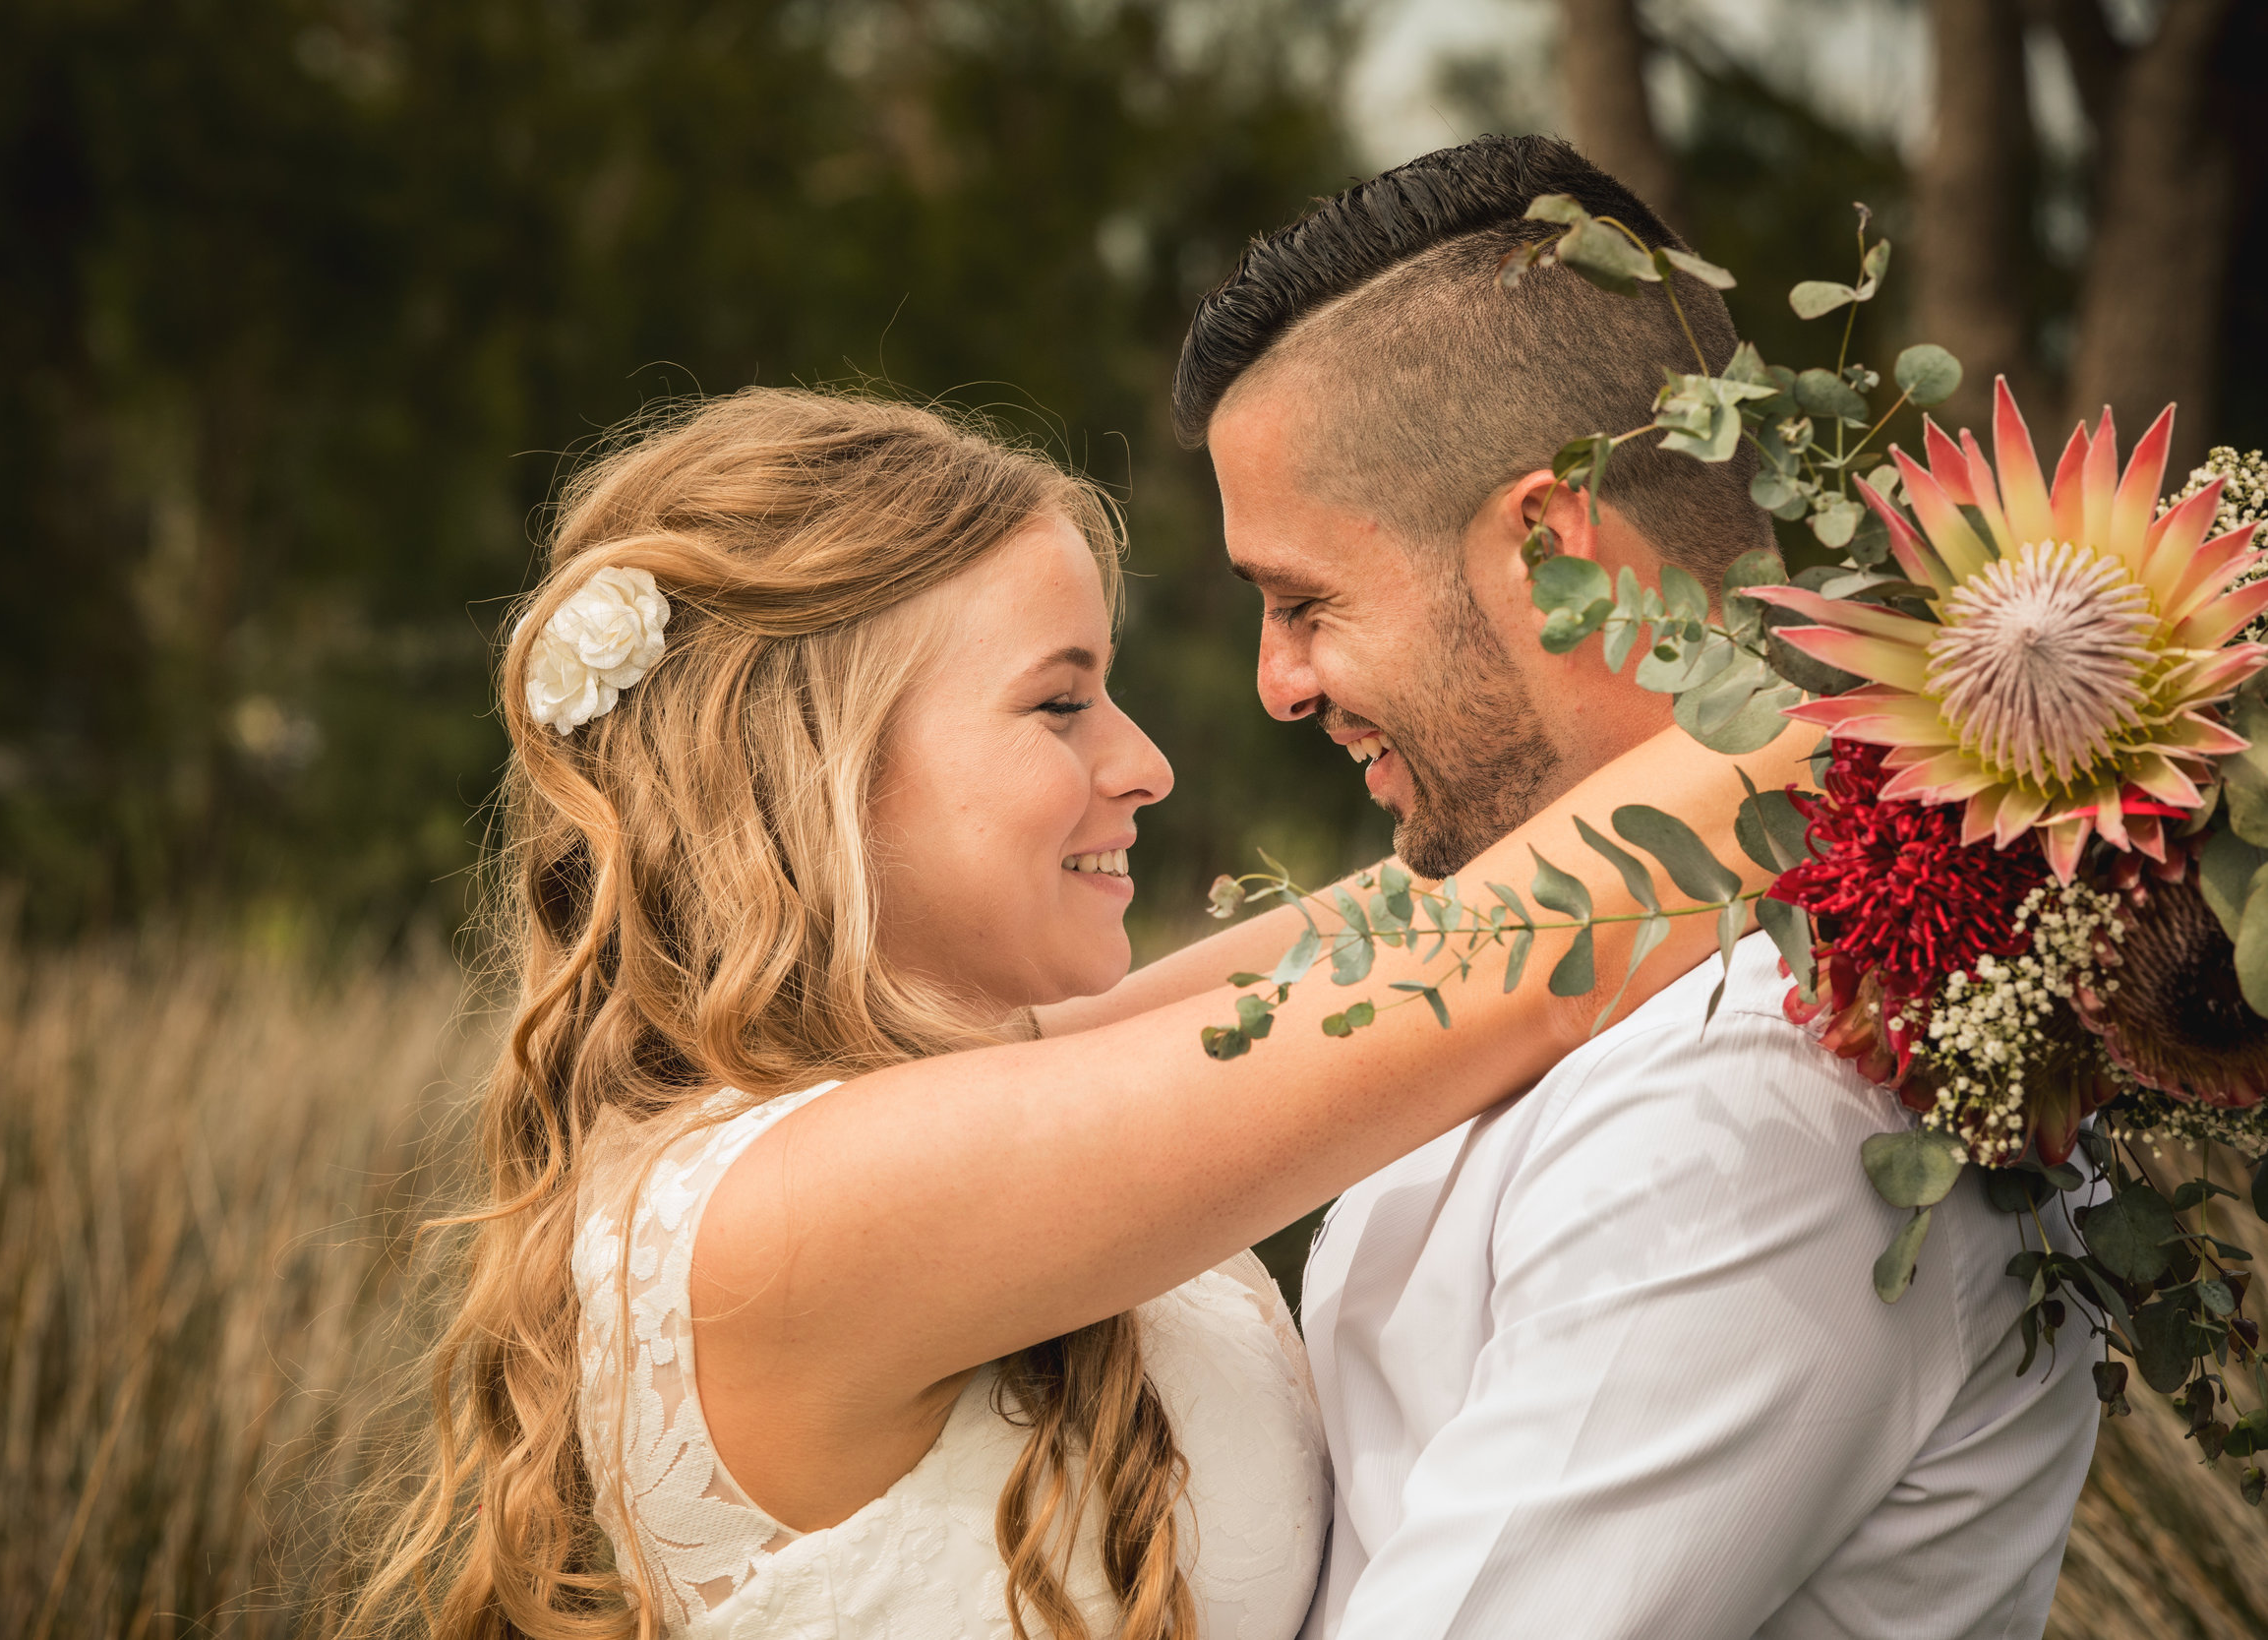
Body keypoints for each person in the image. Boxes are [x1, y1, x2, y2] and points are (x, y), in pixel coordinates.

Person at [350, 385, 1807, 1640]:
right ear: (811, 765)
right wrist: (1971, 680)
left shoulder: (912, 1110)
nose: (1148, 764)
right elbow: (1510, 959)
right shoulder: (798, 1207)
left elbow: (1416, 920)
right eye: (1060, 705)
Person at [1172, 134, 2101, 1639]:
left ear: (1547, 546)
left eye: (1305, 602)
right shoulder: (1568, 966)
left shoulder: (1757, 1097)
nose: (1280, 683)